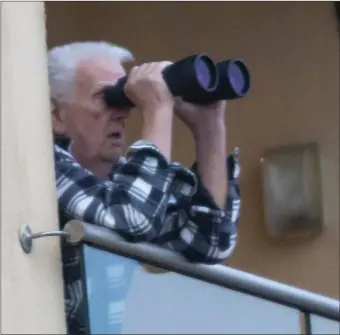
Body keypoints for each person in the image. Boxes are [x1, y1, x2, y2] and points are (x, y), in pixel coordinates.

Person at [49, 41, 241, 334]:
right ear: (56, 115)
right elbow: (132, 218)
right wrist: (157, 109)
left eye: (126, 98)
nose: (124, 112)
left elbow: (209, 243)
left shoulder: (122, 183)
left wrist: (210, 127)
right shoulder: (42, 167)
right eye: (107, 97)